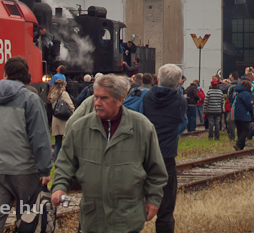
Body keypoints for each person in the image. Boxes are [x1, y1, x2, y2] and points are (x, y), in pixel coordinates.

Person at [51, 74, 168, 233]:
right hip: (92, 219)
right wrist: (59, 187)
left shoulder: (142, 127)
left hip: (127, 220)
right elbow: (65, 164)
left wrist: (153, 199)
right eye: (96, 97)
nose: (97, 103)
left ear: (120, 100)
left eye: (103, 98)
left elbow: (156, 172)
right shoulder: (79, 129)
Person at [0, 56, 53, 233]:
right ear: (26, 76)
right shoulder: (31, 100)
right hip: (25, 171)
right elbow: (40, 137)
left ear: (5, 74)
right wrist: (44, 169)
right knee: (28, 218)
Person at [143, 64, 188, 233]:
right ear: (178, 83)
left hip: (145, 155)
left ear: (158, 79)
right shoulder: (179, 101)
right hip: (166, 156)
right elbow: (181, 124)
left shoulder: (146, 98)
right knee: (166, 209)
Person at [47, 78, 75, 162]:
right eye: (64, 85)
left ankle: (56, 160)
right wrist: (73, 112)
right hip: (63, 120)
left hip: (55, 119)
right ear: (61, 85)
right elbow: (70, 105)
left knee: (57, 142)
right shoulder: (63, 94)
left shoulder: (51, 94)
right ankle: (65, 160)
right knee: (66, 141)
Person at [232, 80, 254, 150]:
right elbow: (248, 105)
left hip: (235, 114)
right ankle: (238, 144)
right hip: (244, 114)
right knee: (245, 130)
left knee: (239, 130)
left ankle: (241, 147)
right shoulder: (246, 93)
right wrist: (252, 112)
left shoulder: (237, 92)